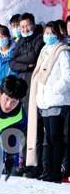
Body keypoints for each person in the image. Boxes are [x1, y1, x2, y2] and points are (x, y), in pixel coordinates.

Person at [26, 21, 70, 183]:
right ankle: (48, 169)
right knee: (48, 138)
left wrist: (54, 90)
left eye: (52, 33)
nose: (48, 36)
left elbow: (67, 76)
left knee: (55, 137)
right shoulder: (45, 50)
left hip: (57, 100)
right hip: (44, 101)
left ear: (58, 35)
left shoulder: (62, 51)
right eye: (46, 33)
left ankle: (56, 171)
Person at [10, 12, 44, 178]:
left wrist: (22, 62)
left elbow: (33, 57)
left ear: (33, 24)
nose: (24, 29)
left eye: (27, 25)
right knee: (23, 126)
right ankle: (24, 161)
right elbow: (12, 61)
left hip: (34, 86)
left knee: (35, 127)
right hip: (22, 88)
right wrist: (26, 65)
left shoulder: (39, 38)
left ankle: (35, 164)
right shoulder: (20, 41)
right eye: (21, 26)